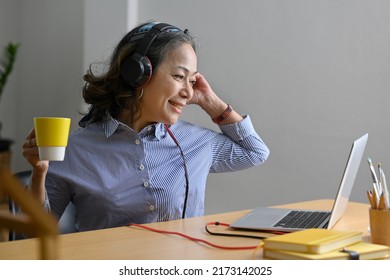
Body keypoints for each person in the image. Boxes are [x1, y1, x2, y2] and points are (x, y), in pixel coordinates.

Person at [22, 21, 270, 232]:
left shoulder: (196, 142)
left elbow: (255, 152)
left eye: (192, 80)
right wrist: (39, 173)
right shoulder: (75, 148)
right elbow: (34, 235)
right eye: (179, 76)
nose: (188, 91)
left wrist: (211, 101)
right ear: (138, 74)